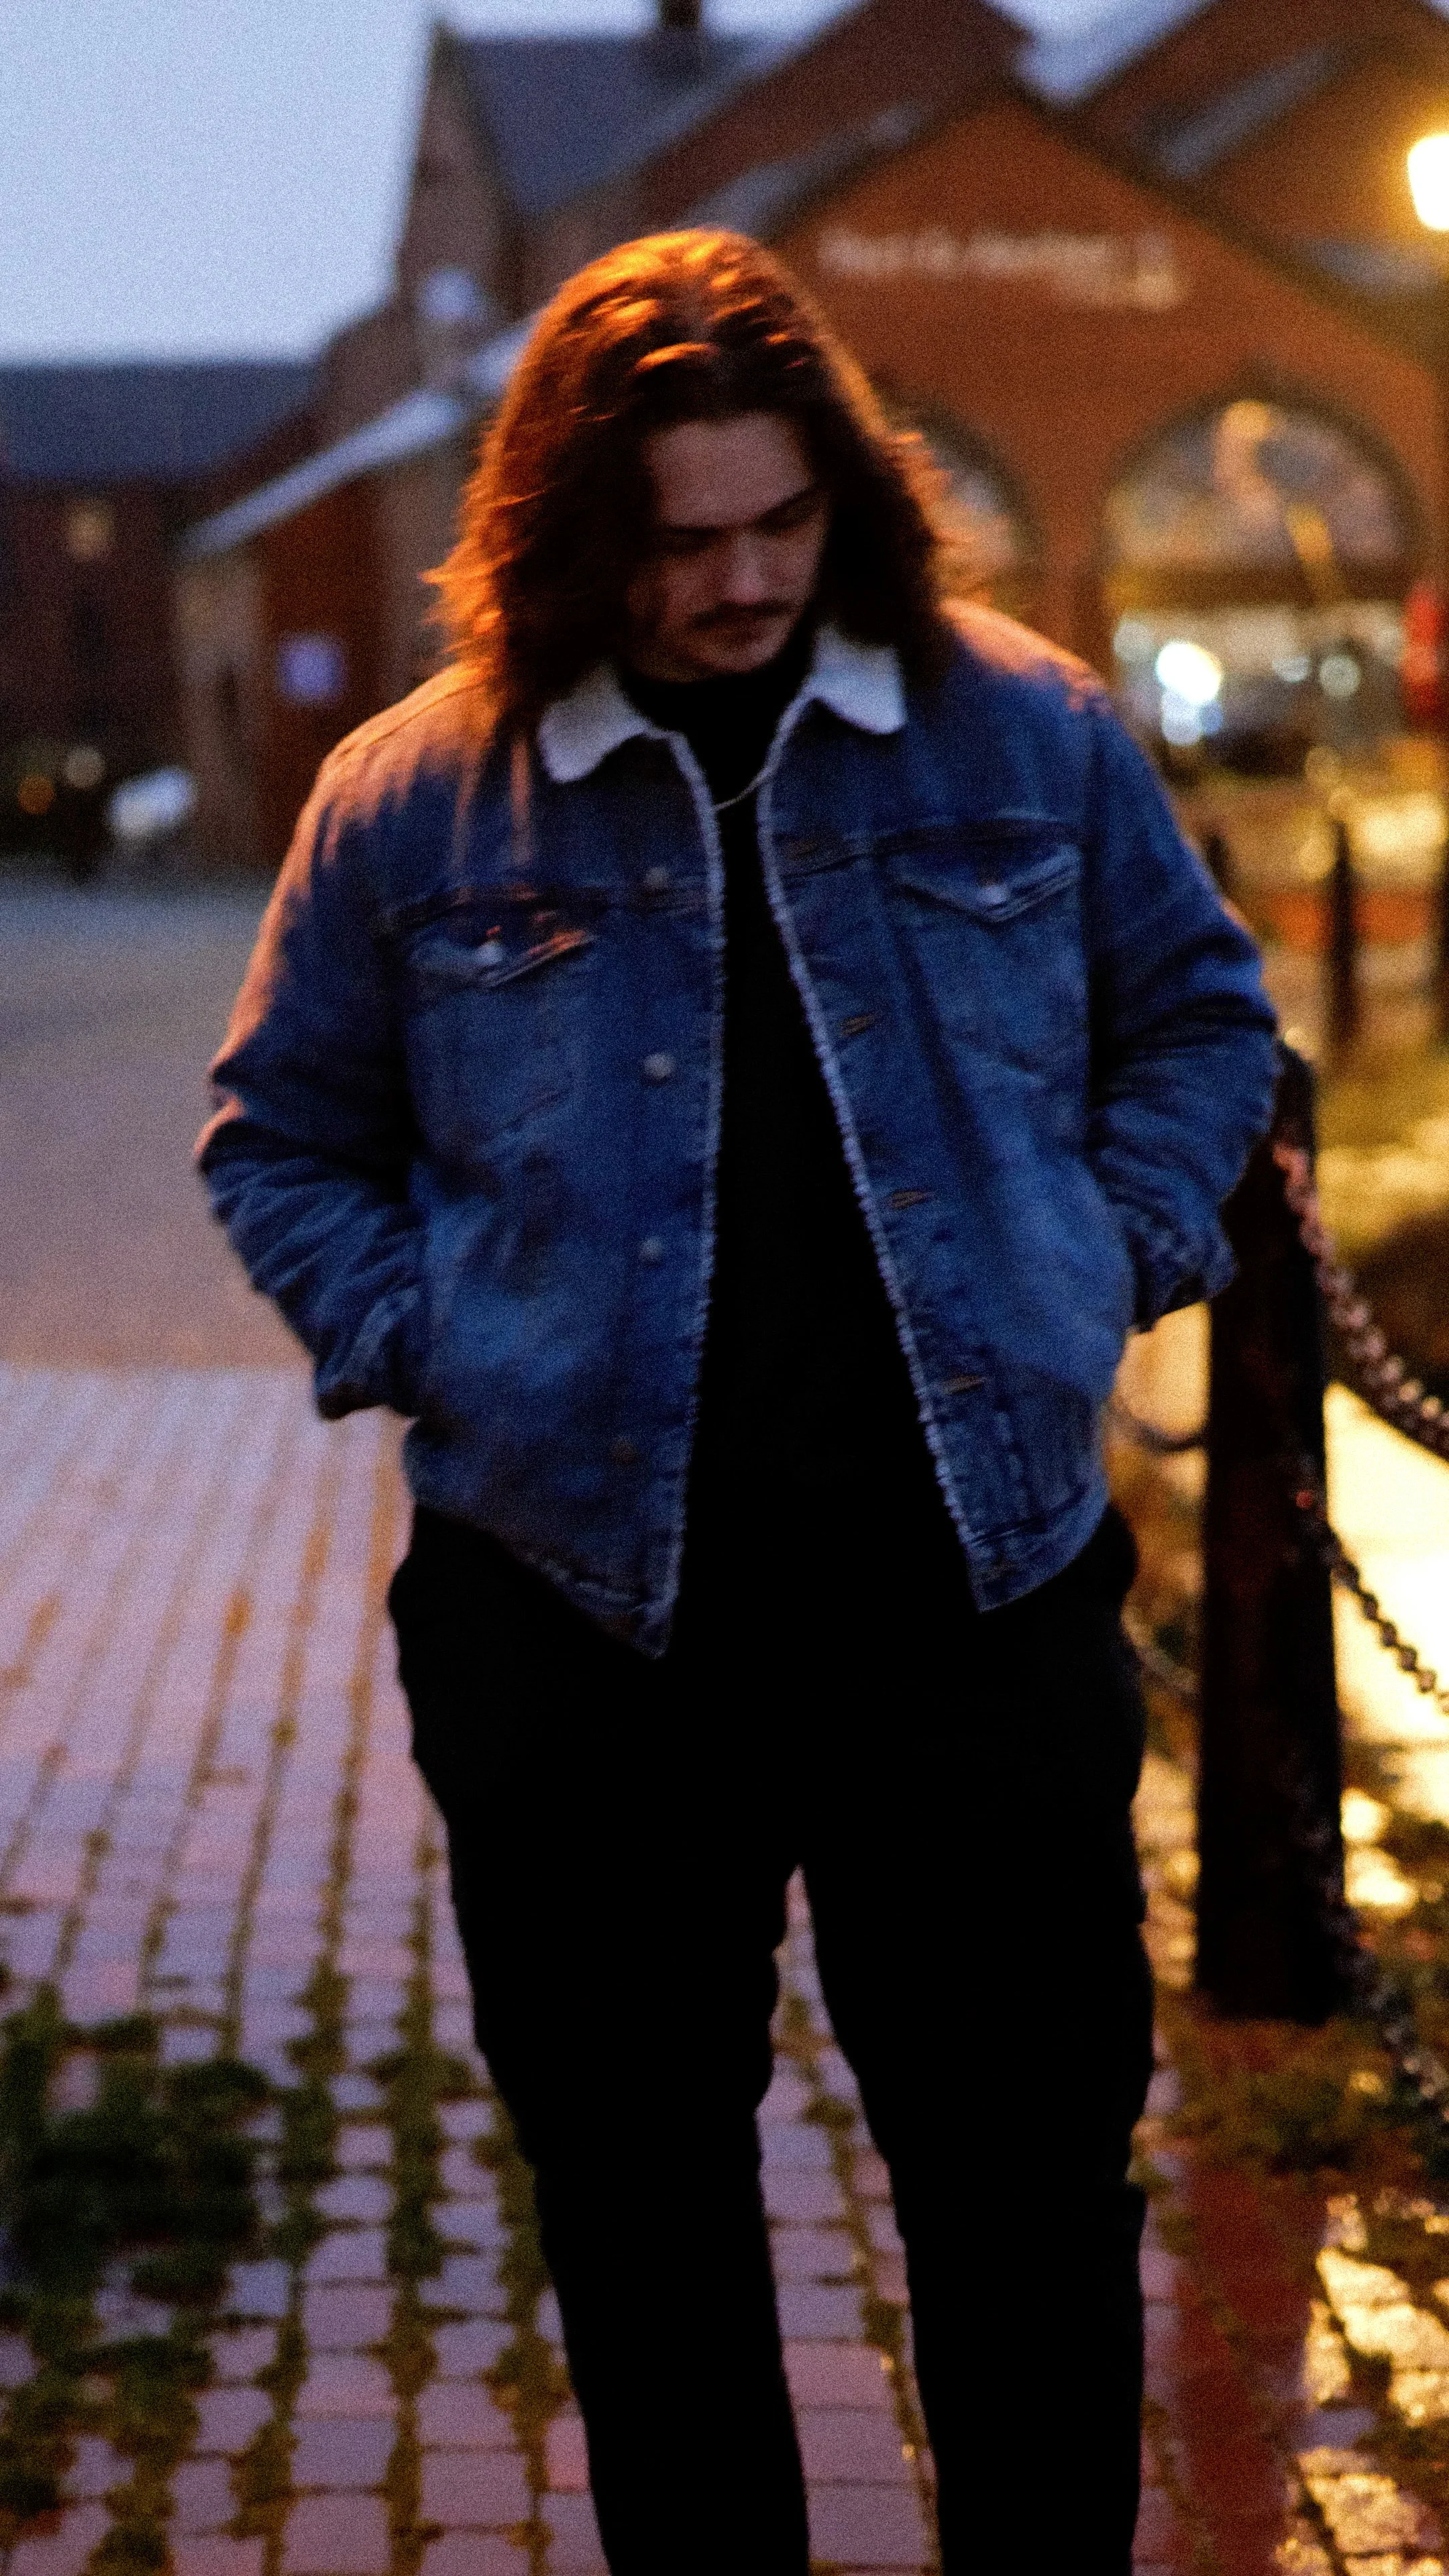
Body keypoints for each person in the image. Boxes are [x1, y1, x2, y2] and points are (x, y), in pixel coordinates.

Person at [199, 229, 1279, 2575]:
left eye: (783, 521)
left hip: (971, 1603)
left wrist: (1100, 1256)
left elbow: (1207, 1025)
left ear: (843, 498)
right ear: (571, 536)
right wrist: (440, 1343)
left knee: (1025, 2206)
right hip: (579, 1629)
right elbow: (277, 1138)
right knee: (647, 2227)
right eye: (681, 541)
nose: (742, 582)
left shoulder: (1026, 733)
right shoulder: (418, 799)